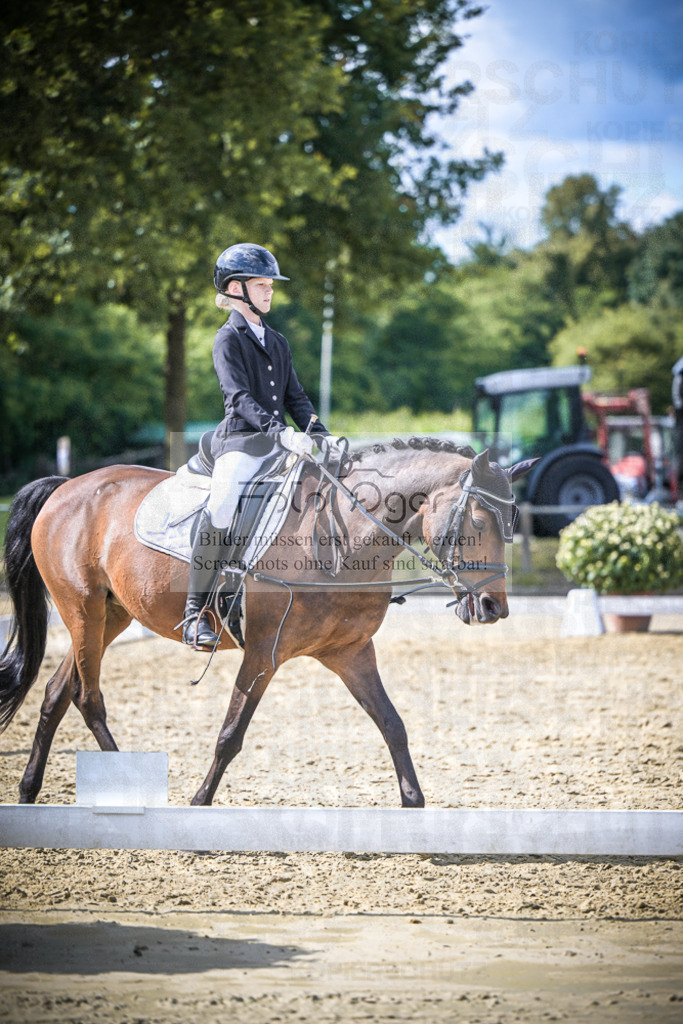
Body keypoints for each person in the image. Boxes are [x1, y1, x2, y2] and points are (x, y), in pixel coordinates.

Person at [181, 243, 340, 649]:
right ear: (236, 288)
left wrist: (321, 435)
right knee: (221, 503)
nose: (269, 292)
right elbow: (239, 399)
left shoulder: (278, 341)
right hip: (241, 442)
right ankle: (194, 611)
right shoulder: (227, 339)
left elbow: (296, 399)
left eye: (270, 285)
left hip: (281, 443)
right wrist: (279, 432)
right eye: (261, 285)